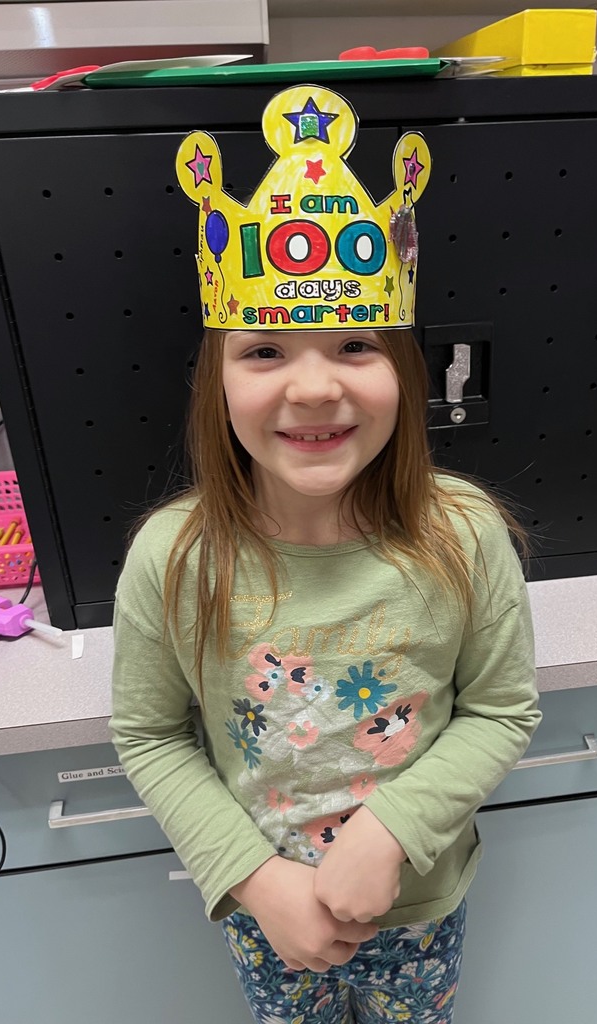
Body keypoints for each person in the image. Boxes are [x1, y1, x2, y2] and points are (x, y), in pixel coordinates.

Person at [110, 84, 541, 1024]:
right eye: (264, 350)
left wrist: (389, 832)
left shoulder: (463, 534)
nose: (313, 387)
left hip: (423, 909)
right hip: (264, 916)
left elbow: (504, 711)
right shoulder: (171, 559)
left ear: (405, 368)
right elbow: (149, 735)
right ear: (216, 379)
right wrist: (257, 882)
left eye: (354, 344)